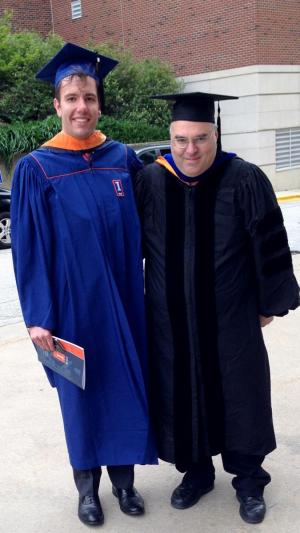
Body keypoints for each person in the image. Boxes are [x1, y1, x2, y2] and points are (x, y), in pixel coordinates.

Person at [133, 92, 299, 525]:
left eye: (201, 138)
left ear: (216, 135)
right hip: (170, 325)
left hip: (231, 322)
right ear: (169, 137)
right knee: (181, 397)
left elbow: (270, 242)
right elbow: (127, 245)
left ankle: (248, 480)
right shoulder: (151, 181)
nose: (190, 149)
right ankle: (197, 473)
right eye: (181, 139)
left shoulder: (243, 177)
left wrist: (268, 303)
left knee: (240, 397)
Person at [11, 43, 157, 527]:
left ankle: (125, 482)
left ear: (100, 103)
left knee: (125, 389)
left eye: (89, 98)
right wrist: (38, 317)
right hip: (72, 308)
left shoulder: (122, 159)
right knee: (80, 397)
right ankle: (87, 490)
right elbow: (29, 251)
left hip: (124, 300)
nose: (81, 107)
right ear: (57, 105)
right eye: (71, 98)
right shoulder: (38, 168)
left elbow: (155, 225)